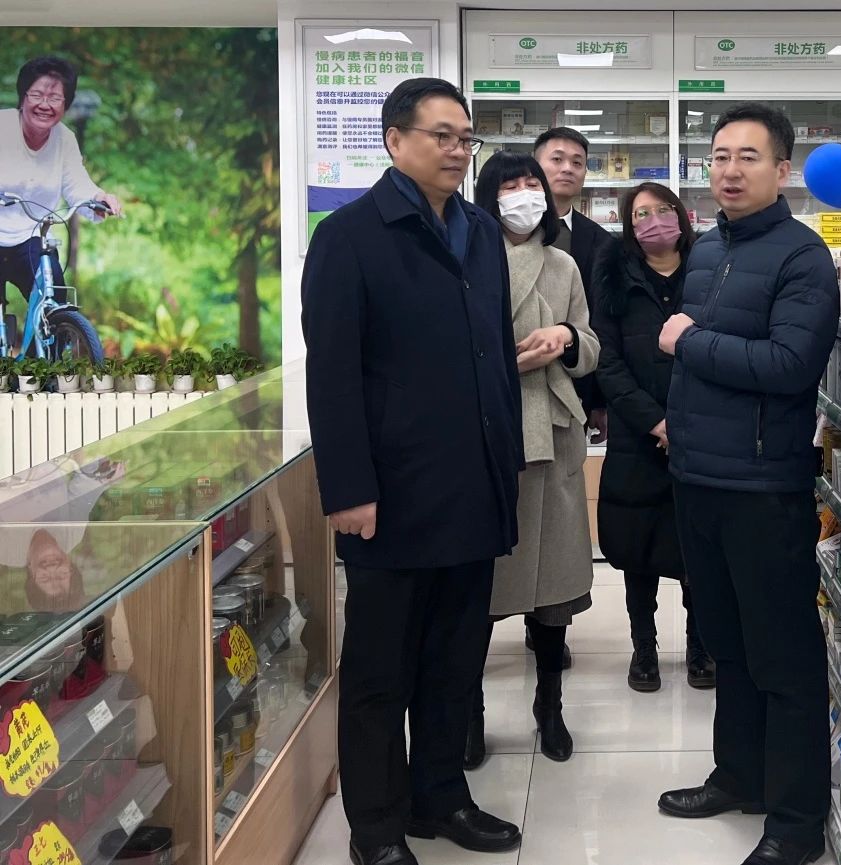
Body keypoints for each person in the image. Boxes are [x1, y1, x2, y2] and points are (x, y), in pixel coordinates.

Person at [301, 78, 524, 865]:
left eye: (466, 137)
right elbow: (331, 372)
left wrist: (505, 466)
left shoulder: (480, 231)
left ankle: (441, 797)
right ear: (395, 140)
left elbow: (495, 355)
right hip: (392, 493)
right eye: (441, 135)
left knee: (454, 660)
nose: (458, 151)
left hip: (474, 485)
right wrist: (348, 487)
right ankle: (376, 824)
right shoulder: (350, 236)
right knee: (379, 670)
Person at [655, 103, 839, 865]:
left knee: (782, 655)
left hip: (764, 486)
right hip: (698, 477)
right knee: (726, 642)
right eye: (720, 156)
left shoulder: (803, 257)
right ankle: (738, 775)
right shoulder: (708, 249)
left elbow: (790, 366)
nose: (730, 170)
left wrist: (691, 341)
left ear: (782, 170)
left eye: (748, 157)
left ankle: (795, 820)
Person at [466, 150, 599, 769]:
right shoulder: (467, 257)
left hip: (554, 431)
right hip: (490, 432)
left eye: (531, 183)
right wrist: (501, 358)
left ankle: (550, 705)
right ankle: (468, 712)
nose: (524, 194)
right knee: (479, 588)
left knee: (552, 588)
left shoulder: (563, 263)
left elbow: (590, 343)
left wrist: (565, 339)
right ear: (488, 197)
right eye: (510, 184)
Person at [590, 181, 714, 693]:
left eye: (663, 210)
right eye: (641, 214)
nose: (654, 221)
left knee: (697, 548)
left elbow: (718, 348)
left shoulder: (707, 271)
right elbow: (607, 362)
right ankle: (644, 648)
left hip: (700, 431)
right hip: (637, 437)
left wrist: (683, 422)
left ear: (682, 216)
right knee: (637, 548)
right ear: (628, 225)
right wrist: (655, 423)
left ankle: (701, 646)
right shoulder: (613, 276)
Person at [0, 56, 121, 302]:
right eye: (37, 95)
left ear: (66, 105)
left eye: (55, 98)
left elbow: (77, 183)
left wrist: (99, 198)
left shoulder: (65, 139)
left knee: (54, 299)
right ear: (23, 98)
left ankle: (55, 326)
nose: (45, 105)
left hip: (31, 238)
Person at [534, 127, 612, 441]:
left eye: (577, 162)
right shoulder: (500, 230)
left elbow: (603, 323)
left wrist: (600, 399)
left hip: (574, 389)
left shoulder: (602, 242)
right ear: (535, 166)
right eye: (557, 159)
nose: (568, 168)